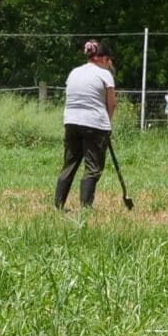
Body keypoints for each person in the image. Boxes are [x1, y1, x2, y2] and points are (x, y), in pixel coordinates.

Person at [56, 39, 120, 210]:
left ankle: (58, 204)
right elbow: (112, 104)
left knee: (69, 164)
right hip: (95, 124)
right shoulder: (104, 74)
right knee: (92, 167)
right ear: (103, 59)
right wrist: (107, 124)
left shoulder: (74, 72)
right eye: (109, 61)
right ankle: (85, 207)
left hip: (71, 121)